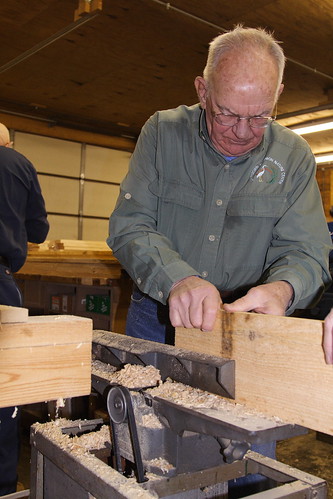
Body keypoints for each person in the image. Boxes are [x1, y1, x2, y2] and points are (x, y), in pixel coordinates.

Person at [107, 26, 331, 494]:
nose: (244, 133)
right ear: (202, 90)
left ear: (279, 96)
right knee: (149, 459)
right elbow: (130, 225)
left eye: (261, 117)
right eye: (227, 114)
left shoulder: (294, 157)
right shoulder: (163, 134)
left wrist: (282, 289)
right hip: (159, 321)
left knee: (248, 462)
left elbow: (308, 251)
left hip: (247, 332)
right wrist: (178, 278)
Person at [0, 123, 49, 496]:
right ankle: (3, 484)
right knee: (5, 391)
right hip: (0, 285)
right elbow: (38, 231)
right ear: (9, 144)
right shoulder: (19, 164)